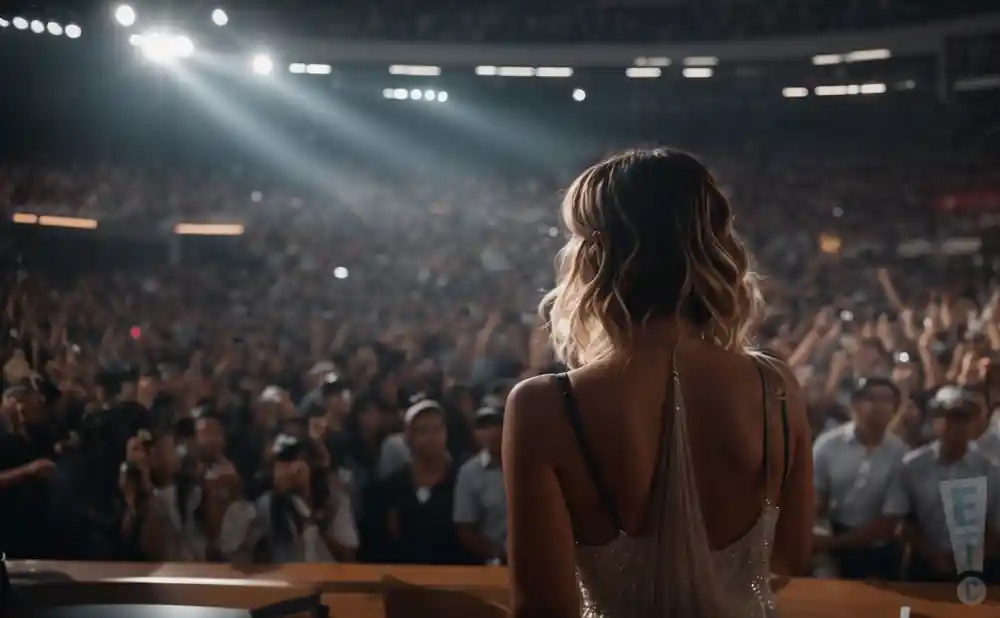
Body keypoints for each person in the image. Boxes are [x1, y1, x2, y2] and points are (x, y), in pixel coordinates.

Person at [503, 148, 813, 618]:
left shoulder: (544, 406)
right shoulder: (775, 387)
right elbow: (789, 556)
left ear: (595, 256)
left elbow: (544, 608)